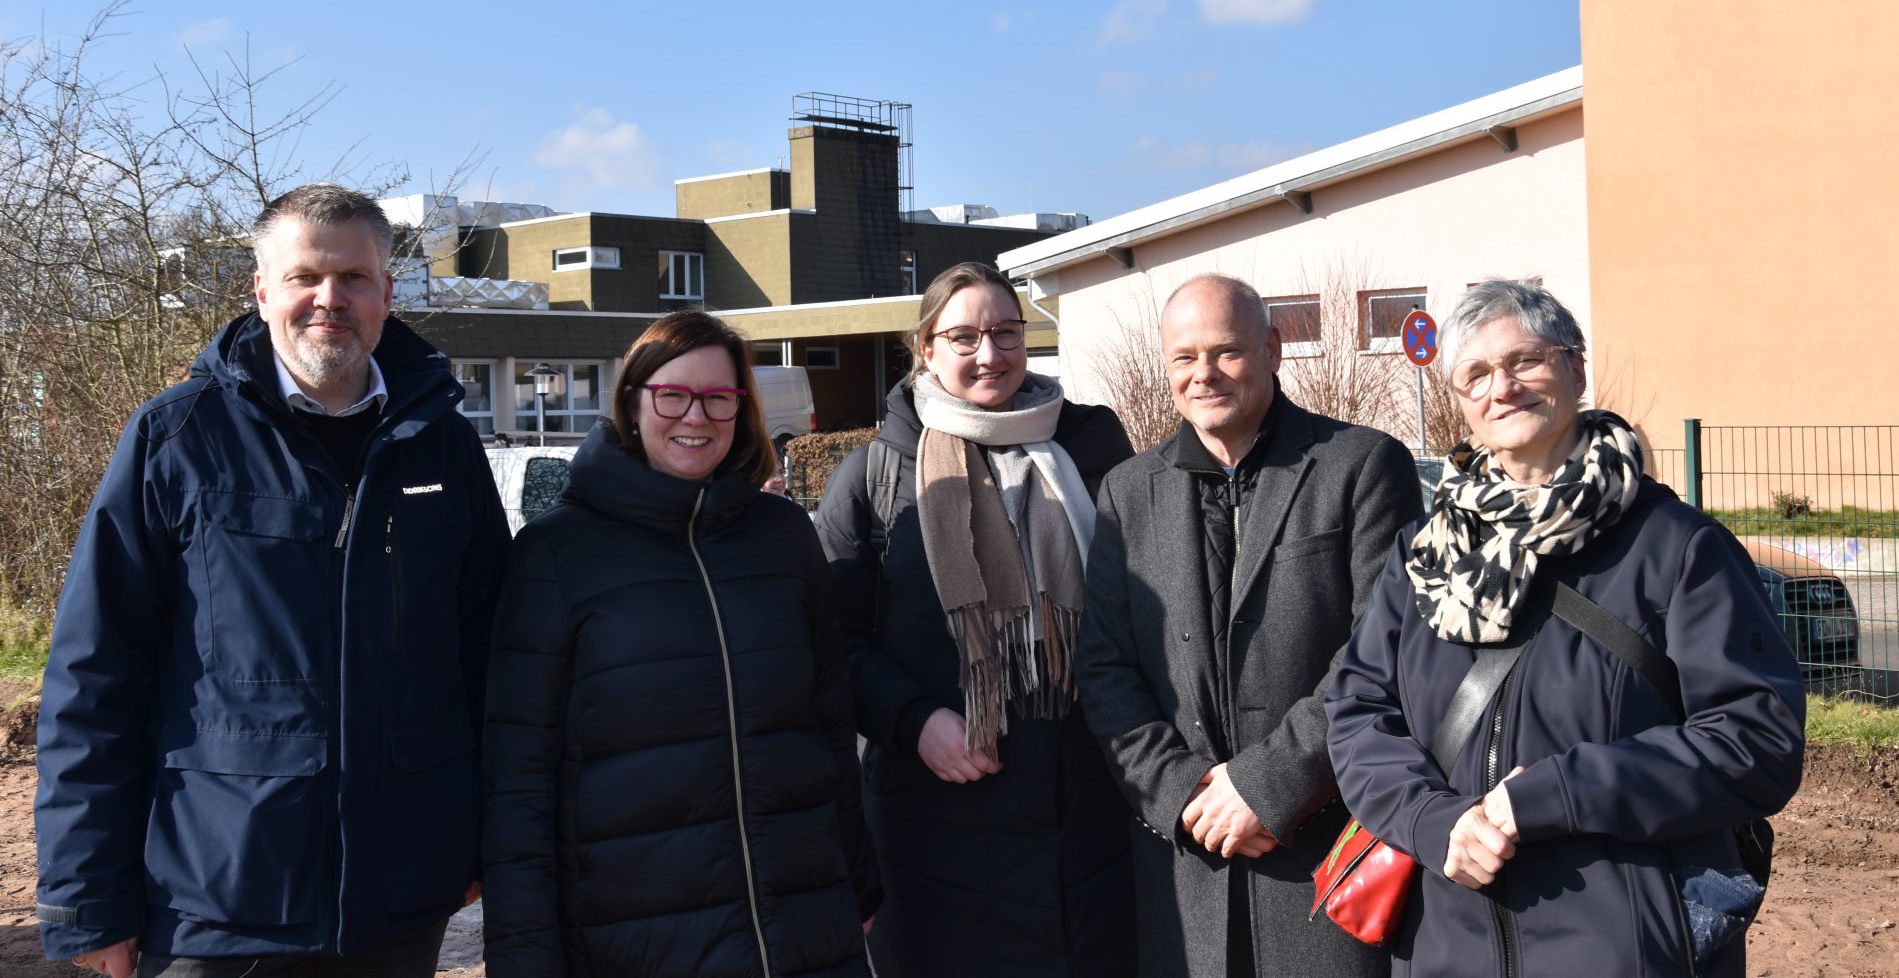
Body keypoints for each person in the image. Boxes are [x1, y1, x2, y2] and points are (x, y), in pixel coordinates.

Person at [35, 183, 511, 977]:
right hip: (218, 899)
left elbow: (488, 657)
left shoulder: (443, 448)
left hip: (400, 898)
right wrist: (87, 898)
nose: (331, 299)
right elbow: (95, 677)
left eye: (355, 278)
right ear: (262, 291)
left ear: (387, 294)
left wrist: (479, 842)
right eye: (305, 278)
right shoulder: (175, 440)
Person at [1324, 279, 1805, 977]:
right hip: (1445, 946)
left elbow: (1757, 740)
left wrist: (1561, 792)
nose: (1504, 387)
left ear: (1576, 370)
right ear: (1459, 401)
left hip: (1630, 945)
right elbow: (1357, 711)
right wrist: (1434, 822)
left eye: (1526, 361)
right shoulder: (1422, 554)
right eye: (1477, 375)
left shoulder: (1676, 547)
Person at [482, 309, 880, 976]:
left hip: (802, 928)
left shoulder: (783, 536)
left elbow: (831, 727)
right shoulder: (556, 553)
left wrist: (858, 879)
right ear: (633, 399)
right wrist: (524, 954)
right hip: (634, 941)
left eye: (718, 398)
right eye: (673, 394)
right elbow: (517, 780)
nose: (696, 417)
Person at [1077, 273, 1422, 978]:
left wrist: (1269, 789)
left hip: (1324, 859)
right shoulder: (1126, 492)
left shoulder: (1361, 465)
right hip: (1185, 871)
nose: (1203, 374)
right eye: (1183, 357)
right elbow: (1105, 668)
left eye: (1226, 352)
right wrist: (1183, 793)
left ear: (1271, 348)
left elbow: (1382, 651)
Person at [814, 261, 1136, 976]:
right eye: (963, 337)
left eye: (1006, 333)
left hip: (1085, 824)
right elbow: (833, 645)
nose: (989, 354)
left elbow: (1144, 605)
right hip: (935, 827)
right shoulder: (875, 476)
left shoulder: (1095, 450)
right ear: (925, 349)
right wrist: (914, 721)